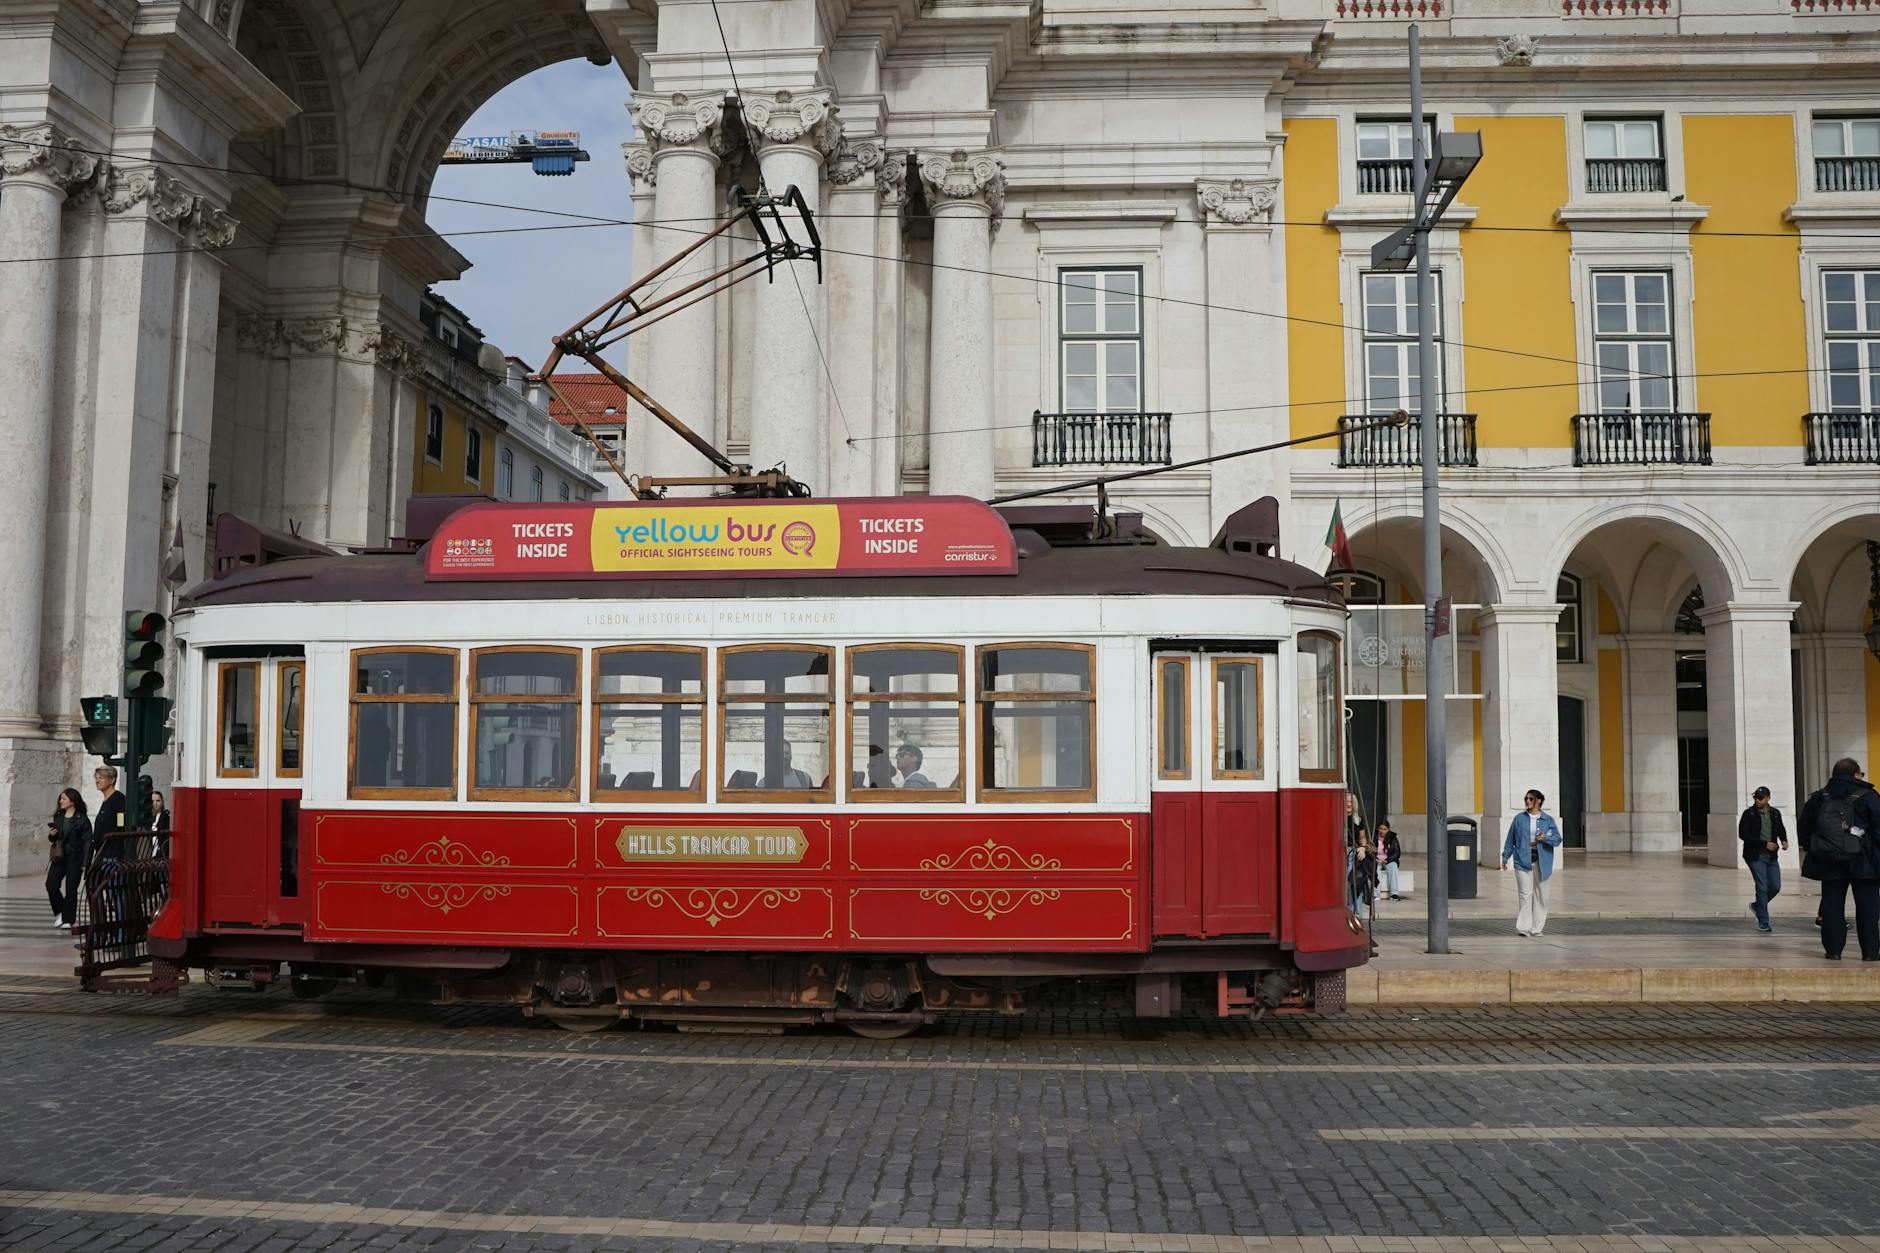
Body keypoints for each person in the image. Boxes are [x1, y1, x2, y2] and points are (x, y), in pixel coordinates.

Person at [1800, 757, 1880, 962]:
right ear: (1856, 773)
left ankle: (1833, 951)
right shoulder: (1869, 796)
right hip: (1864, 862)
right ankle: (1870, 952)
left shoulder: (1819, 797)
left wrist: (1817, 849)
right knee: (1868, 908)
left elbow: (1804, 829)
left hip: (1829, 861)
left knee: (1832, 906)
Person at [1499, 789, 1563, 937]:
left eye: (1531, 798)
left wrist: (1545, 838)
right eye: (1526, 799)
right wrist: (1505, 857)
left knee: (1541, 896)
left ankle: (1537, 928)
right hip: (1522, 860)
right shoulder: (1519, 819)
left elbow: (1557, 839)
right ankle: (1523, 927)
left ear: (1539, 801)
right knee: (1525, 895)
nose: (1527, 801)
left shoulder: (1548, 820)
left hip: (1543, 862)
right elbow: (1510, 839)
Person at [1738, 785, 1788, 933]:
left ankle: (1758, 906)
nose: (1757, 801)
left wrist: (1784, 840)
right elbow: (1743, 835)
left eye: (1760, 798)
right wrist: (1764, 844)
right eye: (1756, 798)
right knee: (1761, 886)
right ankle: (1764, 921)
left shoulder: (1775, 813)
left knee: (1775, 886)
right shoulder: (1749, 814)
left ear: (1768, 798)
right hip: (1755, 856)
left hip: (1772, 856)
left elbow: (1780, 828)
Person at [45, 788, 90, 931]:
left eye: (63, 798)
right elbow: (55, 839)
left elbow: (87, 842)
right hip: (59, 857)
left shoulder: (82, 819)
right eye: (60, 798)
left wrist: (85, 863)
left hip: (75, 858)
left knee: (71, 890)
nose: (60, 801)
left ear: (72, 801)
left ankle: (68, 919)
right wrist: (52, 835)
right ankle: (60, 912)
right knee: (51, 885)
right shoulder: (59, 817)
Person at [1344, 793, 1372, 913]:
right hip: (1340, 853)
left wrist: (1363, 847)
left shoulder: (1358, 820)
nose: (1348, 804)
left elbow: (1362, 838)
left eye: (1351, 801)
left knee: (1356, 883)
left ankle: (1357, 914)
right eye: (1346, 801)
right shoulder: (1337, 818)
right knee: (1344, 885)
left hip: (1353, 853)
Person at [1376, 819, 1405, 901]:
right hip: (1377, 860)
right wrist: (1376, 859)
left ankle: (1394, 894)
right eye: (1380, 828)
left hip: (1388, 860)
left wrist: (1387, 860)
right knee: (1375, 870)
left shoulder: (1392, 837)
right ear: (1378, 829)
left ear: (1388, 829)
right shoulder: (1373, 836)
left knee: (1393, 868)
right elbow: (1369, 850)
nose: (1382, 831)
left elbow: (1397, 852)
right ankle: (1376, 894)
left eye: (1385, 829)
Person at [149, 789, 172, 859]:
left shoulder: (166, 818)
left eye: (158, 801)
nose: (155, 803)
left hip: (161, 854)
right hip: (148, 853)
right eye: (153, 801)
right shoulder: (147, 818)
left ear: (162, 802)